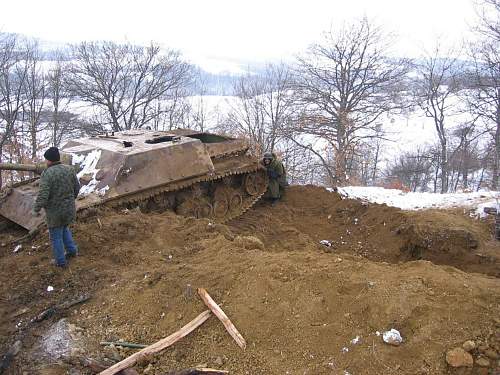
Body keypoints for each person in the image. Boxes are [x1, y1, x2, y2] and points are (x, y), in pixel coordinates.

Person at [32, 147, 81, 267]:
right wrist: (70, 200)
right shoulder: (69, 170)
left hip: (55, 212)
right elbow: (77, 188)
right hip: (69, 208)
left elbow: (43, 195)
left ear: (49, 160)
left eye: (46, 159)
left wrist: (36, 209)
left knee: (56, 236)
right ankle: (72, 251)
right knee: (64, 228)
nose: (45, 161)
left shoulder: (47, 174)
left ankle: (60, 262)